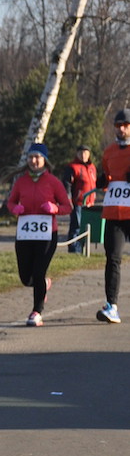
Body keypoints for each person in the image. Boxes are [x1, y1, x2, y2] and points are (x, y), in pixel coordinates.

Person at [6, 141, 72, 326]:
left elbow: (67, 207)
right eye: (31, 157)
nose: (33, 161)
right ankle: (44, 283)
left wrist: (55, 208)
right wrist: (15, 208)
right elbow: (10, 202)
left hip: (47, 235)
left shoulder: (53, 182)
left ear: (45, 160)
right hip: (25, 234)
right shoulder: (21, 182)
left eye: (37, 157)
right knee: (26, 277)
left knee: (38, 271)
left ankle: (36, 311)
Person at [95, 108, 130, 323]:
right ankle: (111, 306)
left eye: (125, 125)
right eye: (118, 126)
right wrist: (102, 180)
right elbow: (107, 175)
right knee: (113, 258)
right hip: (114, 211)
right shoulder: (109, 151)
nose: (122, 129)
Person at [61, 145, 97, 255]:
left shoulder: (92, 167)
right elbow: (67, 185)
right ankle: (74, 250)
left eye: (85, 153)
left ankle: (83, 249)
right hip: (78, 203)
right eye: (81, 153)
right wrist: (68, 200)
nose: (83, 155)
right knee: (76, 226)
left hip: (90, 204)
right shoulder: (72, 167)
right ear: (77, 154)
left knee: (86, 227)